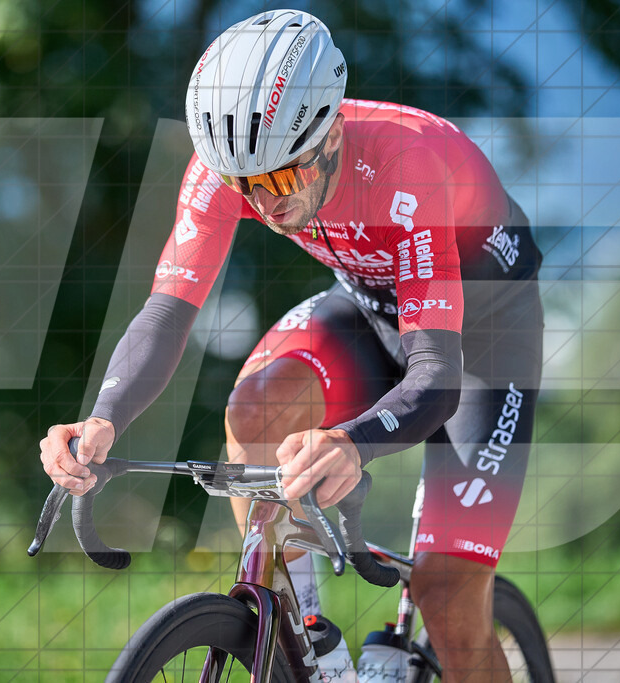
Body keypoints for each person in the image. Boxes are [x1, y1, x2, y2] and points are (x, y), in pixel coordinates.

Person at [40, 9, 543, 682]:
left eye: (279, 179)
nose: (262, 202)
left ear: (330, 134)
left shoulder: (407, 164)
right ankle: (306, 639)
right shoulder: (228, 169)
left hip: (482, 335)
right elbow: (165, 313)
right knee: (256, 410)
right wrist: (103, 416)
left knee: (448, 596)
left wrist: (351, 442)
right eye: (242, 184)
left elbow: (435, 377)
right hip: (370, 302)